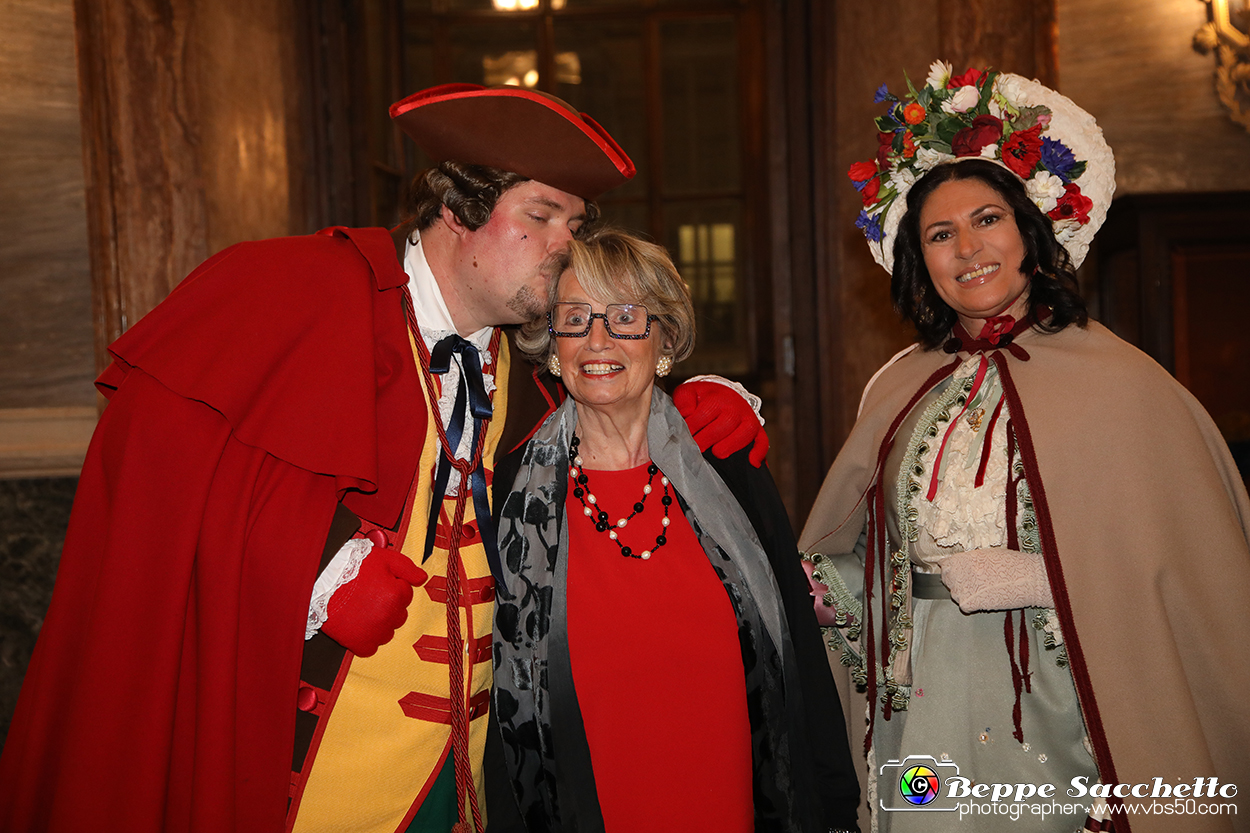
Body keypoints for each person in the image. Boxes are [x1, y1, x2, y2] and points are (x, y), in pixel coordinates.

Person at [0, 84, 767, 833]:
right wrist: (319, 574)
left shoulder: (532, 379)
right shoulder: (298, 292)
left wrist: (686, 414)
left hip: (469, 784)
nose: (567, 247)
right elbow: (164, 472)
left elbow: (612, 422)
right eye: (541, 217)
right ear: (458, 210)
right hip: (310, 775)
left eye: (576, 223)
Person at [800, 63, 1250, 833]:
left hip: (1068, 703)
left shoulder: (1123, 384)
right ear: (921, 260)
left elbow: (1190, 568)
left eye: (987, 220)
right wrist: (811, 581)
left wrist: (1042, 575)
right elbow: (857, 546)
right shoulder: (902, 386)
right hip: (929, 701)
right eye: (941, 234)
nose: (967, 248)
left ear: (1031, 233)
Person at [484, 228, 861, 833]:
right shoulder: (511, 494)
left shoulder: (727, 467)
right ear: (551, 345)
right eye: (575, 317)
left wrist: (836, 805)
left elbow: (796, 642)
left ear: (664, 340)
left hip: (734, 803)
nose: (598, 340)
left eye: (626, 316)